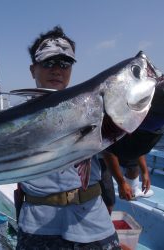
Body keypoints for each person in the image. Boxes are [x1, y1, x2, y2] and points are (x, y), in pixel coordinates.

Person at [15, 26, 121, 250]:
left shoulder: (92, 107)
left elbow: (113, 154)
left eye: (65, 63)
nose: (57, 70)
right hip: (37, 224)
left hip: (92, 220)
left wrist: (110, 197)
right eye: (49, 62)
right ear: (32, 69)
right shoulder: (13, 120)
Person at [100, 84, 164, 214]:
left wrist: (145, 171)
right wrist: (121, 182)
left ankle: (133, 188)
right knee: (109, 201)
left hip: (126, 134)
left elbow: (137, 145)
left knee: (131, 160)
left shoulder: (139, 125)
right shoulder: (118, 123)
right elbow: (108, 151)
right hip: (98, 155)